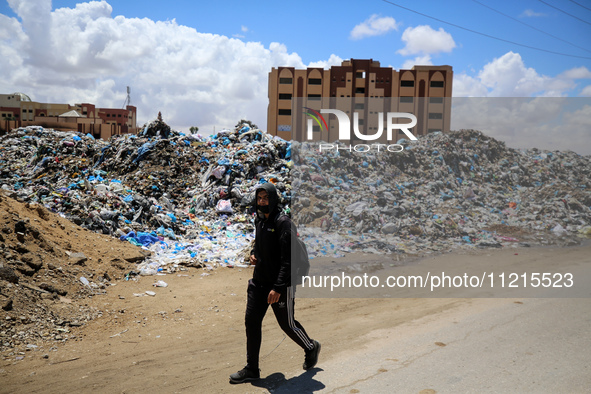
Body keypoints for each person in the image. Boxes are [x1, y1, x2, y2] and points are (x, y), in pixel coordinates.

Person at [230, 182, 320, 384]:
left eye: (266, 198)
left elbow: (289, 260)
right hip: (259, 282)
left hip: (280, 285)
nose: (262, 202)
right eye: (259, 198)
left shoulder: (283, 223)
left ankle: (311, 347)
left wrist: (278, 288)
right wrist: (253, 255)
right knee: (251, 322)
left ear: (273, 199)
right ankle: (252, 368)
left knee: (287, 324)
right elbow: (258, 245)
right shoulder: (259, 220)